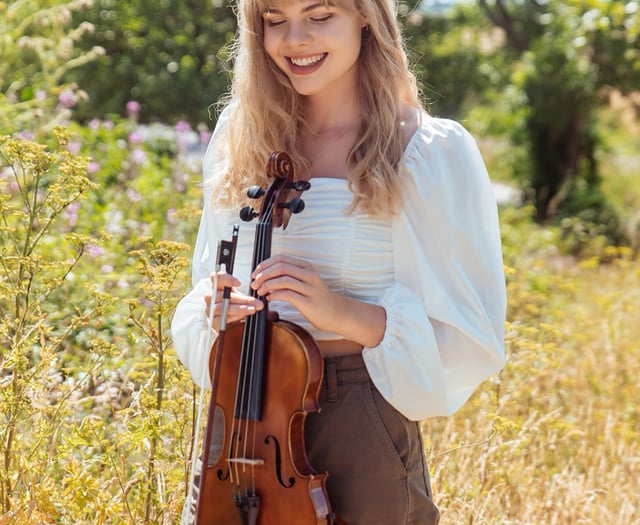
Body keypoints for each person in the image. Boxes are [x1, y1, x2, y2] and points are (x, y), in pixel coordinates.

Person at [171, 0, 506, 522]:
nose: (294, 39)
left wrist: (339, 311)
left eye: (319, 16)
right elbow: (209, 273)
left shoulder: (422, 149)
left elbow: (470, 334)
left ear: (366, 17)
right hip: (245, 411)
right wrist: (214, 306)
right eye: (274, 21)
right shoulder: (243, 134)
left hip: (356, 410)